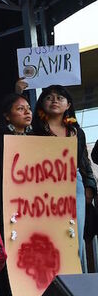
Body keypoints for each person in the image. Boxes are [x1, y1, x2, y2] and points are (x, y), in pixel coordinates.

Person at [31, 84, 97, 273]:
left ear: (68, 104)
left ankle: (77, 282)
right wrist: (19, 92)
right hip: (42, 185)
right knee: (51, 236)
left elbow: (83, 161)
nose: (54, 100)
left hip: (73, 182)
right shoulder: (34, 129)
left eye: (60, 98)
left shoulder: (76, 131)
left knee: (73, 235)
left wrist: (89, 186)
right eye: (49, 97)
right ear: (42, 103)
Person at [0, 92, 32, 296]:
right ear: (7, 116)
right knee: (12, 262)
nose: (27, 112)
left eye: (28, 108)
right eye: (20, 108)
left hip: (35, 213)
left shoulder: (39, 139)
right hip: (8, 212)